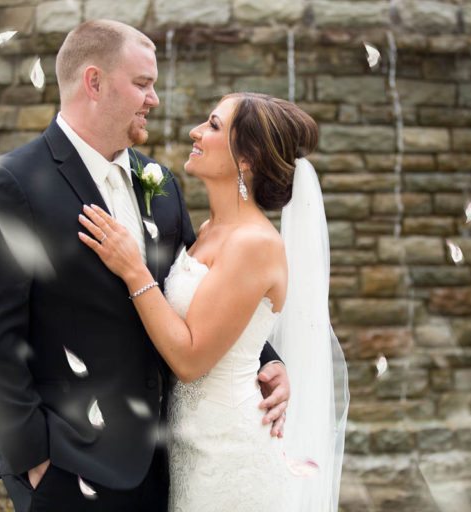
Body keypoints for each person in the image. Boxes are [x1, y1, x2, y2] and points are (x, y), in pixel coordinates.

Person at [0, 21, 289, 512]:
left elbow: (204, 293)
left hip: (166, 462)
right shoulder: (11, 185)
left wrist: (267, 362)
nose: (153, 99)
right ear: (94, 82)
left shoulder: (160, 182)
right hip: (69, 466)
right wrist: (34, 460)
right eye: (142, 84)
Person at [78, 92, 349, 511]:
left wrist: (133, 269)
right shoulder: (207, 229)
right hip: (189, 448)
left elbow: (189, 360)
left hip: (229, 456)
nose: (196, 132)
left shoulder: (254, 244)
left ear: (247, 158)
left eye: (214, 126)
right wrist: (271, 361)